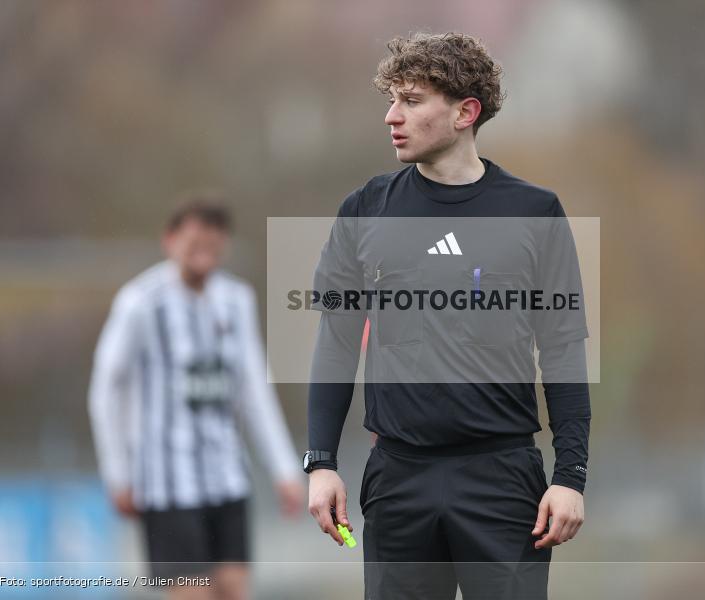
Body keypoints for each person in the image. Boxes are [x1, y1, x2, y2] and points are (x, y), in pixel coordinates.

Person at [304, 33, 591, 599]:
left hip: (503, 480)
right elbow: (336, 339)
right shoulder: (364, 208)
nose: (392, 116)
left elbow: (563, 348)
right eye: (392, 100)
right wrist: (321, 462)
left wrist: (570, 476)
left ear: (465, 112)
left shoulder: (535, 212)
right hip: (397, 479)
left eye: (411, 101)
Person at [88, 193, 305, 600]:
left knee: (234, 591)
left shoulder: (236, 300)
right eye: (194, 242)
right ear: (170, 240)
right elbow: (105, 388)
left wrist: (284, 469)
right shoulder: (140, 303)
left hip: (227, 477)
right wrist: (118, 473)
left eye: (213, 242)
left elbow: (253, 389)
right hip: (167, 485)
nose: (204, 252)